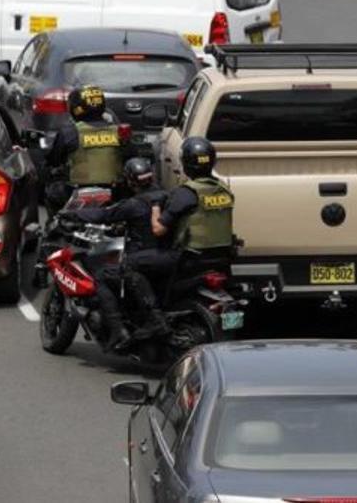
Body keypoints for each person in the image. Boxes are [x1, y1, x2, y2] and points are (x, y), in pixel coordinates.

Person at [64, 158, 169, 349]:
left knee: (101, 277)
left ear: (130, 181)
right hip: (167, 257)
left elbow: (105, 215)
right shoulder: (167, 197)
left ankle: (117, 331)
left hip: (143, 259)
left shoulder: (134, 204)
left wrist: (73, 215)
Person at [148, 137, 235, 283]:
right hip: (222, 257)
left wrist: (155, 206)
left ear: (186, 164)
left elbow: (158, 230)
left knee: (133, 263)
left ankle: (153, 305)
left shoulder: (186, 192)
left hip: (191, 258)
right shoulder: (223, 189)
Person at [44, 85, 125, 210]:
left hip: (77, 191)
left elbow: (54, 160)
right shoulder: (118, 131)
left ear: (76, 109)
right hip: (116, 192)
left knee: (51, 192)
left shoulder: (70, 132)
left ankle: (56, 223)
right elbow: (132, 154)